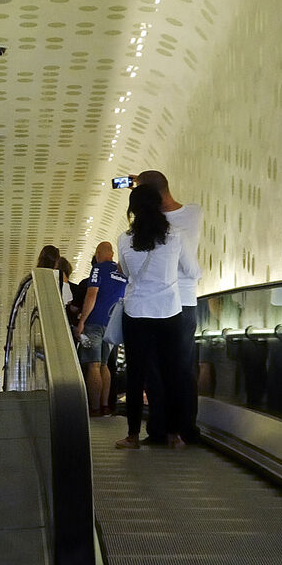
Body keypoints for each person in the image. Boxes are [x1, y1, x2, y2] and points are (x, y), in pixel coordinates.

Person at [117, 184, 198, 449]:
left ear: (132, 210)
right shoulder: (175, 236)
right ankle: (174, 435)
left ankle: (132, 436)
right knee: (172, 372)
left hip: (136, 311)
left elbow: (127, 272)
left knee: (136, 374)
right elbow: (192, 270)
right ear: (160, 205)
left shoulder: (124, 239)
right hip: (169, 311)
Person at [134, 169, 202, 437]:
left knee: (155, 366)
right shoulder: (194, 213)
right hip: (186, 299)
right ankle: (186, 427)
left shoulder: (150, 222)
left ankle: (159, 428)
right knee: (183, 366)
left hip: (154, 302)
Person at [76, 240, 127, 418]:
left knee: (94, 365)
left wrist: (82, 319)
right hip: (112, 324)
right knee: (105, 365)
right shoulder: (123, 272)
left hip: (95, 322)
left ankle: (94, 407)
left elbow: (92, 294)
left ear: (98, 254)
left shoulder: (98, 268)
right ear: (112, 254)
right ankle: (106, 405)